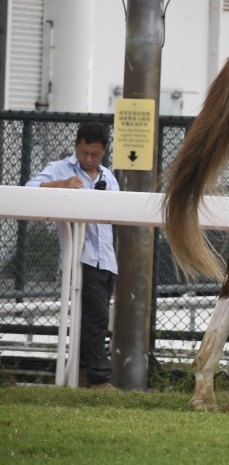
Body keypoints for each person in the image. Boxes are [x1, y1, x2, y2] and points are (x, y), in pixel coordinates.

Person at [26, 121, 119, 390]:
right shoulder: (60, 169)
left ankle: (79, 373)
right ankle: (99, 378)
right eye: (83, 153)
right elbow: (29, 188)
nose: (88, 159)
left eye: (95, 154)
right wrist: (62, 185)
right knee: (97, 318)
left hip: (106, 260)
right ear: (76, 147)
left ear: (104, 152)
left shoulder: (108, 177)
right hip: (81, 258)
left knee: (89, 318)